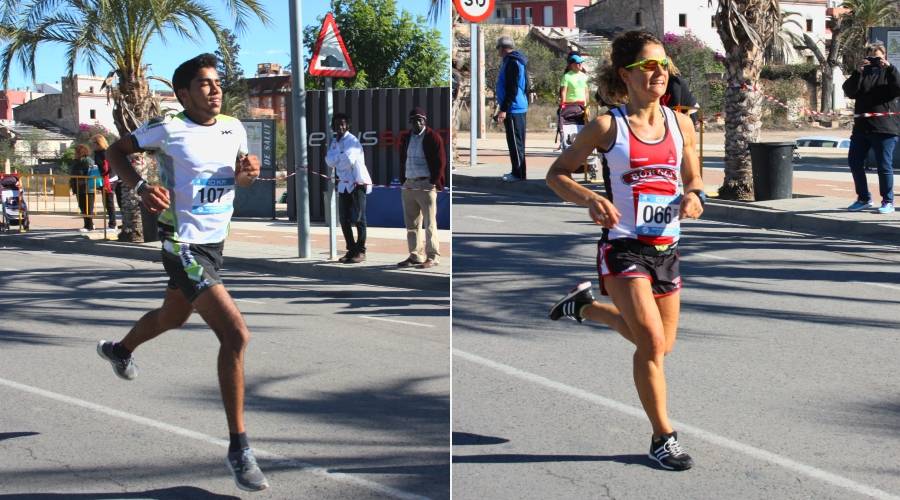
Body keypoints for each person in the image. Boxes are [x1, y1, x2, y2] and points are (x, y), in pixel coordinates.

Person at [94, 53, 269, 492]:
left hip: (215, 244)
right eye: (205, 84)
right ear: (183, 93)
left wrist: (250, 173)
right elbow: (115, 150)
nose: (215, 90)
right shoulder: (167, 128)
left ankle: (120, 349)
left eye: (217, 84)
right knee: (236, 335)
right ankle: (239, 448)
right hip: (181, 243)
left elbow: (242, 176)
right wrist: (138, 187)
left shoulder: (234, 127)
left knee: (172, 316)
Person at [545, 31, 705, 471]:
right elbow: (556, 175)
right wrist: (590, 199)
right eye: (648, 66)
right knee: (651, 344)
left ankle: (587, 310)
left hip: (667, 247)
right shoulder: (606, 127)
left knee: (662, 346)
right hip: (623, 247)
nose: (660, 73)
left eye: (664, 64)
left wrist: (695, 196)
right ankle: (662, 437)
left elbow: (693, 178)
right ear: (626, 75)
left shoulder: (681, 124)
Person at [842, 41, 900, 214]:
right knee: (854, 162)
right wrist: (857, 71)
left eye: (878, 57)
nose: (875, 60)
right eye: (871, 57)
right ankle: (864, 198)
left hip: (884, 128)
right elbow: (850, 91)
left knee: (884, 166)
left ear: (885, 57)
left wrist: (889, 68)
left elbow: (898, 87)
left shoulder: (889, 74)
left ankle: (888, 201)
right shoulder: (863, 74)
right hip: (862, 128)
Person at [397, 106, 446, 269]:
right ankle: (415, 255)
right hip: (409, 184)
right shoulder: (406, 138)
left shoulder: (433, 137)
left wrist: (433, 182)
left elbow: (441, 162)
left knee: (430, 223)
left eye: (419, 119)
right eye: (413, 120)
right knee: (411, 224)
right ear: (410, 122)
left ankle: (433, 256)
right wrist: (404, 180)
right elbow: (402, 159)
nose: (416, 123)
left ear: (425, 121)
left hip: (426, 184)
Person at [326, 112, 373, 264]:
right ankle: (351, 249)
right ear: (333, 126)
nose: (340, 126)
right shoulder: (334, 141)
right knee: (344, 219)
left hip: (357, 183)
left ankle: (361, 251)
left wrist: (337, 158)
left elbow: (347, 161)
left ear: (347, 125)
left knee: (359, 219)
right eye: (337, 124)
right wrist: (339, 157)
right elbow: (328, 161)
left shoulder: (352, 141)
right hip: (343, 185)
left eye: (343, 123)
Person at [495, 35, 529, 182]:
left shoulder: (512, 62)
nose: (498, 52)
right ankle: (517, 171)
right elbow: (526, 85)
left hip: (514, 108)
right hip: (517, 106)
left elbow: (512, 88)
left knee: (515, 143)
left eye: (498, 49)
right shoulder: (517, 60)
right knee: (516, 142)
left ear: (502, 49)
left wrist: (504, 109)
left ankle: (519, 174)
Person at [557, 53, 590, 150]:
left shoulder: (584, 76)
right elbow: (563, 92)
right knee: (567, 127)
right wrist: (562, 105)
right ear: (571, 65)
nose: (580, 65)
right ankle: (564, 142)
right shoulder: (567, 76)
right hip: (569, 106)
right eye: (578, 63)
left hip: (582, 107)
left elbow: (586, 92)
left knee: (584, 127)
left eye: (581, 63)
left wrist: (588, 105)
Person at [92, 134, 117, 229]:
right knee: (106, 202)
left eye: (94, 143)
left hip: (108, 179)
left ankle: (112, 225)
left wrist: (103, 174)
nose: (92, 145)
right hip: (105, 178)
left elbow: (108, 167)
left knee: (109, 202)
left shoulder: (104, 153)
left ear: (99, 143)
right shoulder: (98, 152)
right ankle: (112, 223)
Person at [69, 144, 96, 232]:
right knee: (82, 207)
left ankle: (90, 226)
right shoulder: (76, 161)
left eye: (76, 152)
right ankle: (87, 224)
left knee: (88, 207)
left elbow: (91, 173)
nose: (74, 153)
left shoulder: (87, 161)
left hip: (87, 188)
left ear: (81, 152)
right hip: (78, 188)